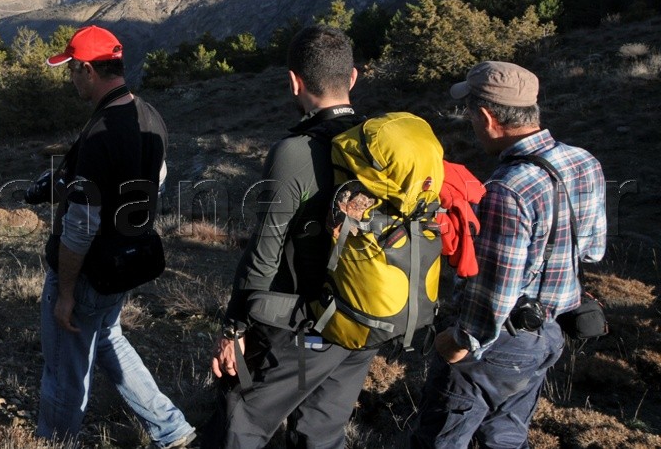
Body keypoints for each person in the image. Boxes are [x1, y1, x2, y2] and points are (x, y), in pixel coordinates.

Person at [411, 61, 607, 449]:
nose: (469, 121)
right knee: (505, 438)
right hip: (547, 333)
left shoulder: (506, 188)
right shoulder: (583, 161)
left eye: (470, 112)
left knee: (440, 440)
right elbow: (593, 251)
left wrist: (461, 340)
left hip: (497, 342)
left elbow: (495, 287)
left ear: (487, 116)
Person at [210, 25, 377, 449]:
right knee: (320, 432)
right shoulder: (378, 145)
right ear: (353, 77)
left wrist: (234, 328)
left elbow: (264, 252)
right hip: (364, 315)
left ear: (294, 82)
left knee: (241, 418)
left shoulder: (295, 152)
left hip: (304, 323)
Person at [38, 25, 196, 449]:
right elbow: (156, 181)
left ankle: (57, 442)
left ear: (88, 70)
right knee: (109, 337)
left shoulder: (101, 131)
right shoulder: (150, 116)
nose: (69, 77)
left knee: (63, 372)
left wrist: (66, 292)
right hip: (124, 262)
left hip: (91, 269)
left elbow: (80, 225)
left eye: (71, 69)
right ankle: (171, 428)